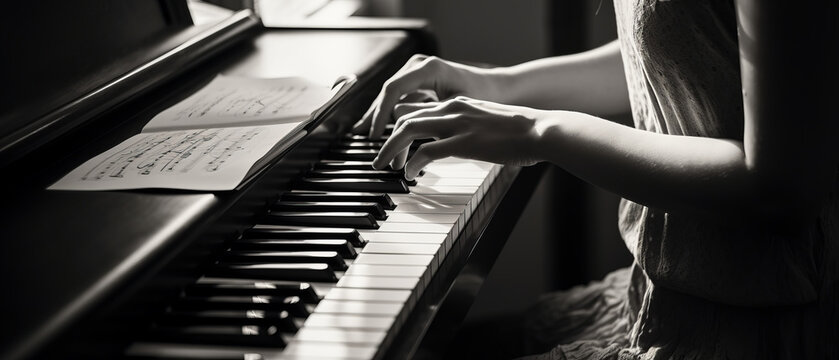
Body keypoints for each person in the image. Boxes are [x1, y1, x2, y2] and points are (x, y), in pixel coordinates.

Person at [353, 0, 839, 359]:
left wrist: (539, 131)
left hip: (757, 325)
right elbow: (684, 43)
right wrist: (502, 86)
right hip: (663, 296)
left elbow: (780, 186)